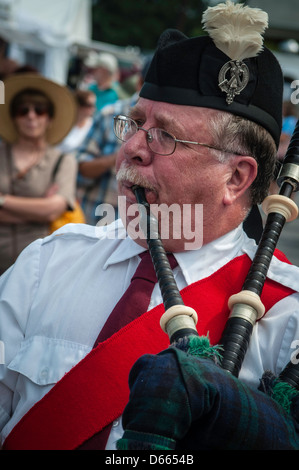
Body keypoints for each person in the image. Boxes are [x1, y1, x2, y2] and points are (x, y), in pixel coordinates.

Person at [0, 1, 299, 451]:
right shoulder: (48, 262)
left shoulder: (286, 318)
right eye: (136, 124)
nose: (133, 149)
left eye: (165, 135)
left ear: (236, 178)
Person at [0, 73, 77, 274]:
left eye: (39, 110)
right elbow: (46, 210)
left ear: (49, 118)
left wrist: (2, 200)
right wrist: (37, 212)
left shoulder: (63, 161)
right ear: (13, 117)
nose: (31, 116)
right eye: (23, 110)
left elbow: (54, 209)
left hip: (36, 269)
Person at [75, 60, 150, 226]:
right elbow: (81, 172)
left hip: (138, 231)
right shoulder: (110, 114)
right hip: (97, 221)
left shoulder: (171, 125)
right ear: (139, 83)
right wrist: (121, 156)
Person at [57, 89, 96, 154]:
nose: (93, 108)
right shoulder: (63, 120)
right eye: (89, 105)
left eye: (93, 105)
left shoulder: (92, 125)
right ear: (78, 105)